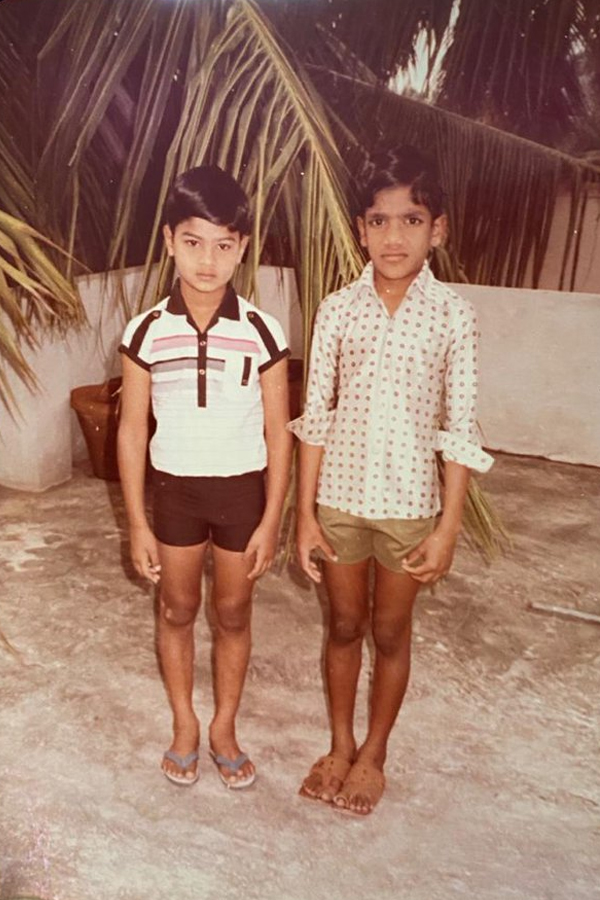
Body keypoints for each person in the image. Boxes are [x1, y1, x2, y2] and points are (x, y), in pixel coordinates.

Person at [289, 146, 493, 815]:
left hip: (409, 508)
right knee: (344, 625)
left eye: (412, 220)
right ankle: (340, 745)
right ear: (361, 229)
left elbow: (459, 427)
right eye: (379, 221)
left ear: (438, 230)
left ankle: (374, 753)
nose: (394, 236)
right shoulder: (336, 310)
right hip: (340, 502)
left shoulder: (452, 315)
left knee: (390, 632)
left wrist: (448, 527)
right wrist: (304, 516)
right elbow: (316, 417)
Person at [117, 165, 292, 789]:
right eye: (193, 242)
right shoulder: (145, 332)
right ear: (170, 241)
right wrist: (137, 523)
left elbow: (279, 432)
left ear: (242, 248)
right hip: (176, 493)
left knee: (234, 612)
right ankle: (185, 723)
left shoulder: (263, 331)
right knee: (177, 607)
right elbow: (131, 432)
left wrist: (272, 519)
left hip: (242, 494)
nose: (208, 261)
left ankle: (224, 727)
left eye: (224, 244)